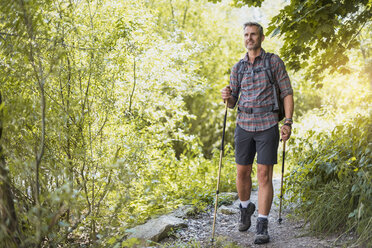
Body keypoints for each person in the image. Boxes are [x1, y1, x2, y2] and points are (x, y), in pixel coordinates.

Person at [221, 22, 294, 244]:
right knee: (242, 173)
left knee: (264, 174)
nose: (249, 38)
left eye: (253, 34)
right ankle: (245, 209)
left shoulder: (274, 62)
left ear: (262, 38)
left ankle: (262, 224)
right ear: (243, 38)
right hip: (243, 123)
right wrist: (227, 96)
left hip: (267, 123)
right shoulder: (238, 67)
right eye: (246, 35)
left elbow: (287, 93)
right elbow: (233, 102)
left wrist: (288, 122)